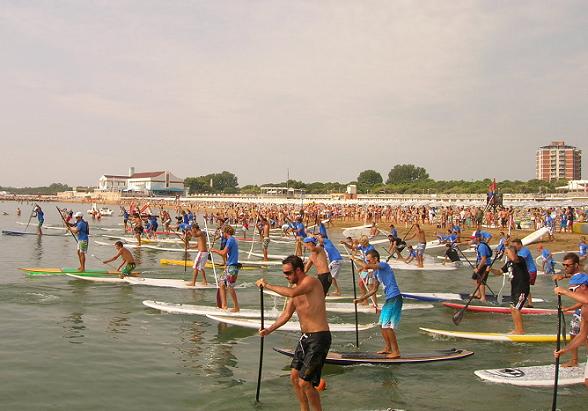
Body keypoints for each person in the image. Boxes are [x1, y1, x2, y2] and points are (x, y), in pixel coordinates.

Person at [256, 255, 331, 411]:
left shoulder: (310, 282)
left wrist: (267, 285)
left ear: (298, 270)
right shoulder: (296, 292)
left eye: (288, 273)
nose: (286, 276)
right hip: (305, 338)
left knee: (305, 382)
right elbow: (286, 314)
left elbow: (291, 293)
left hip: (319, 337)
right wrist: (269, 330)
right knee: (294, 377)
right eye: (284, 273)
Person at [353, 249, 403, 357]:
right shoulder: (376, 272)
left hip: (395, 297)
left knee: (387, 326)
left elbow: (366, 267)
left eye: (369, 260)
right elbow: (374, 290)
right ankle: (388, 348)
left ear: (375, 259)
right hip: (389, 299)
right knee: (381, 325)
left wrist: (354, 259)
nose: (368, 262)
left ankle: (396, 352)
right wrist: (361, 299)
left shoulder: (384, 265)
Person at [553, 273, 588, 388]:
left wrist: (565, 292)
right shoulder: (584, 310)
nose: (572, 293)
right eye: (570, 290)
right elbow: (582, 335)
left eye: (573, 289)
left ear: (583, 286)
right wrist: (565, 350)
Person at [552, 253, 587, 368]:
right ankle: (574, 360)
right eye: (564, 265)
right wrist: (564, 350)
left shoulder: (580, 280)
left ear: (576, 265)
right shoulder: (577, 277)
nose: (565, 267)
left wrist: (566, 292)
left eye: (568, 265)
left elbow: (585, 299)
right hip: (582, 311)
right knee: (575, 334)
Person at [490, 245, 530, 334]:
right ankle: (516, 329)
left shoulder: (520, 260)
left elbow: (513, 257)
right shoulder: (509, 263)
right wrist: (490, 269)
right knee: (512, 308)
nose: (506, 254)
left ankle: (520, 330)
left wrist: (507, 250)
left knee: (516, 309)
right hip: (514, 289)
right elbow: (499, 272)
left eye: (507, 253)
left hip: (522, 289)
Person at [211, 225, 240, 312]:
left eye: (223, 232)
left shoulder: (230, 240)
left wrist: (214, 250)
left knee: (230, 287)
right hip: (230, 266)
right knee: (221, 283)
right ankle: (224, 305)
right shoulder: (231, 240)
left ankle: (236, 307)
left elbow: (223, 253)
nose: (222, 234)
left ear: (226, 232)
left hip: (232, 267)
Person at [511, 239, 538, 307]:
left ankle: (529, 303)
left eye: (515, 246)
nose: (515, 248)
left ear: (520, 244)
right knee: (524, 286)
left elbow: (519, 260)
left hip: (530, 271)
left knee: (525, 286)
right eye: (513, 246)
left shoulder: (525, 250)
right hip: (525, 271)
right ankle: (528, 302)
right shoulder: (518, 252)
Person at [472, 232, 492, 302]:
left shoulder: (481, 246)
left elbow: (483, 259)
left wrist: (478, 268)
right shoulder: (478, 244)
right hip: (481, 264)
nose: (473, 240)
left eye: (474, 238)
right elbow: (468, 242)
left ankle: (483, 298)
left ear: (477, 238)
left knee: (481, 281)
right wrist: (458, 244)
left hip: (485, 265)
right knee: (477, 279)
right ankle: (478, 294)